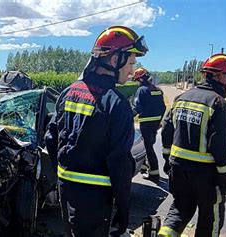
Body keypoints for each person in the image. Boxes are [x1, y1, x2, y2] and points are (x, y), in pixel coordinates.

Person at [45, 26, 148, 236]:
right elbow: (120, 164)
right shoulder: (117, 104)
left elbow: (50, 138)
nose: (131, 71)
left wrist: (63, 176)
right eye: (130, 63)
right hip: (96, 200)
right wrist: (123, 208)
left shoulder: (68, 92)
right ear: (114, 60)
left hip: (67, 192)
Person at [158, 54, 226, 236]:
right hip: (207, 176)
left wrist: (167, 160)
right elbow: (220, 147)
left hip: (178, 169)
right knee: (209, 221)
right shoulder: (218, 104)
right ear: (220, 76)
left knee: (179, 210)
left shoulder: (181, 98)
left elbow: (166, 132)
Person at [132, 67, 166, 183]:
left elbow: (136, 107)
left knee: (148, 148)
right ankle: (144, 167)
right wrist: (158, 122)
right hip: (155, 124)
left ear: (140, 79)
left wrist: (126, 117)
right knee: (149, 146)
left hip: (145, 124)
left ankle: (154, 173)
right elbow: (163, 107)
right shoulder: (158, 90)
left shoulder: (141, 90)